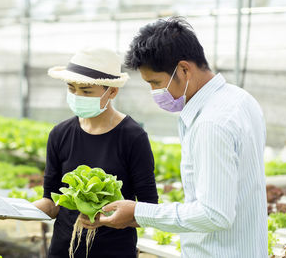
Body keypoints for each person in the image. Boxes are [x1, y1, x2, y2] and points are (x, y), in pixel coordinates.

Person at [82, 17, 268, 257]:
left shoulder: (211, 123)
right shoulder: (241, 100)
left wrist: (138, 212)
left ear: (183, 69)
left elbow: (214, 214)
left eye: (156, 82)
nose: (154, 93)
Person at [0, 46, 158, 258]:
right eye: (71, 88)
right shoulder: (60, 134)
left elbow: (149, 210)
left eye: (86, 91)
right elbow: (51, 203)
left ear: (112, 91)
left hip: (113, 252)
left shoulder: (132, 137)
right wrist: (8, 212)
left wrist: (114, 219)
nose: (77, 96)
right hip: (62, 249)